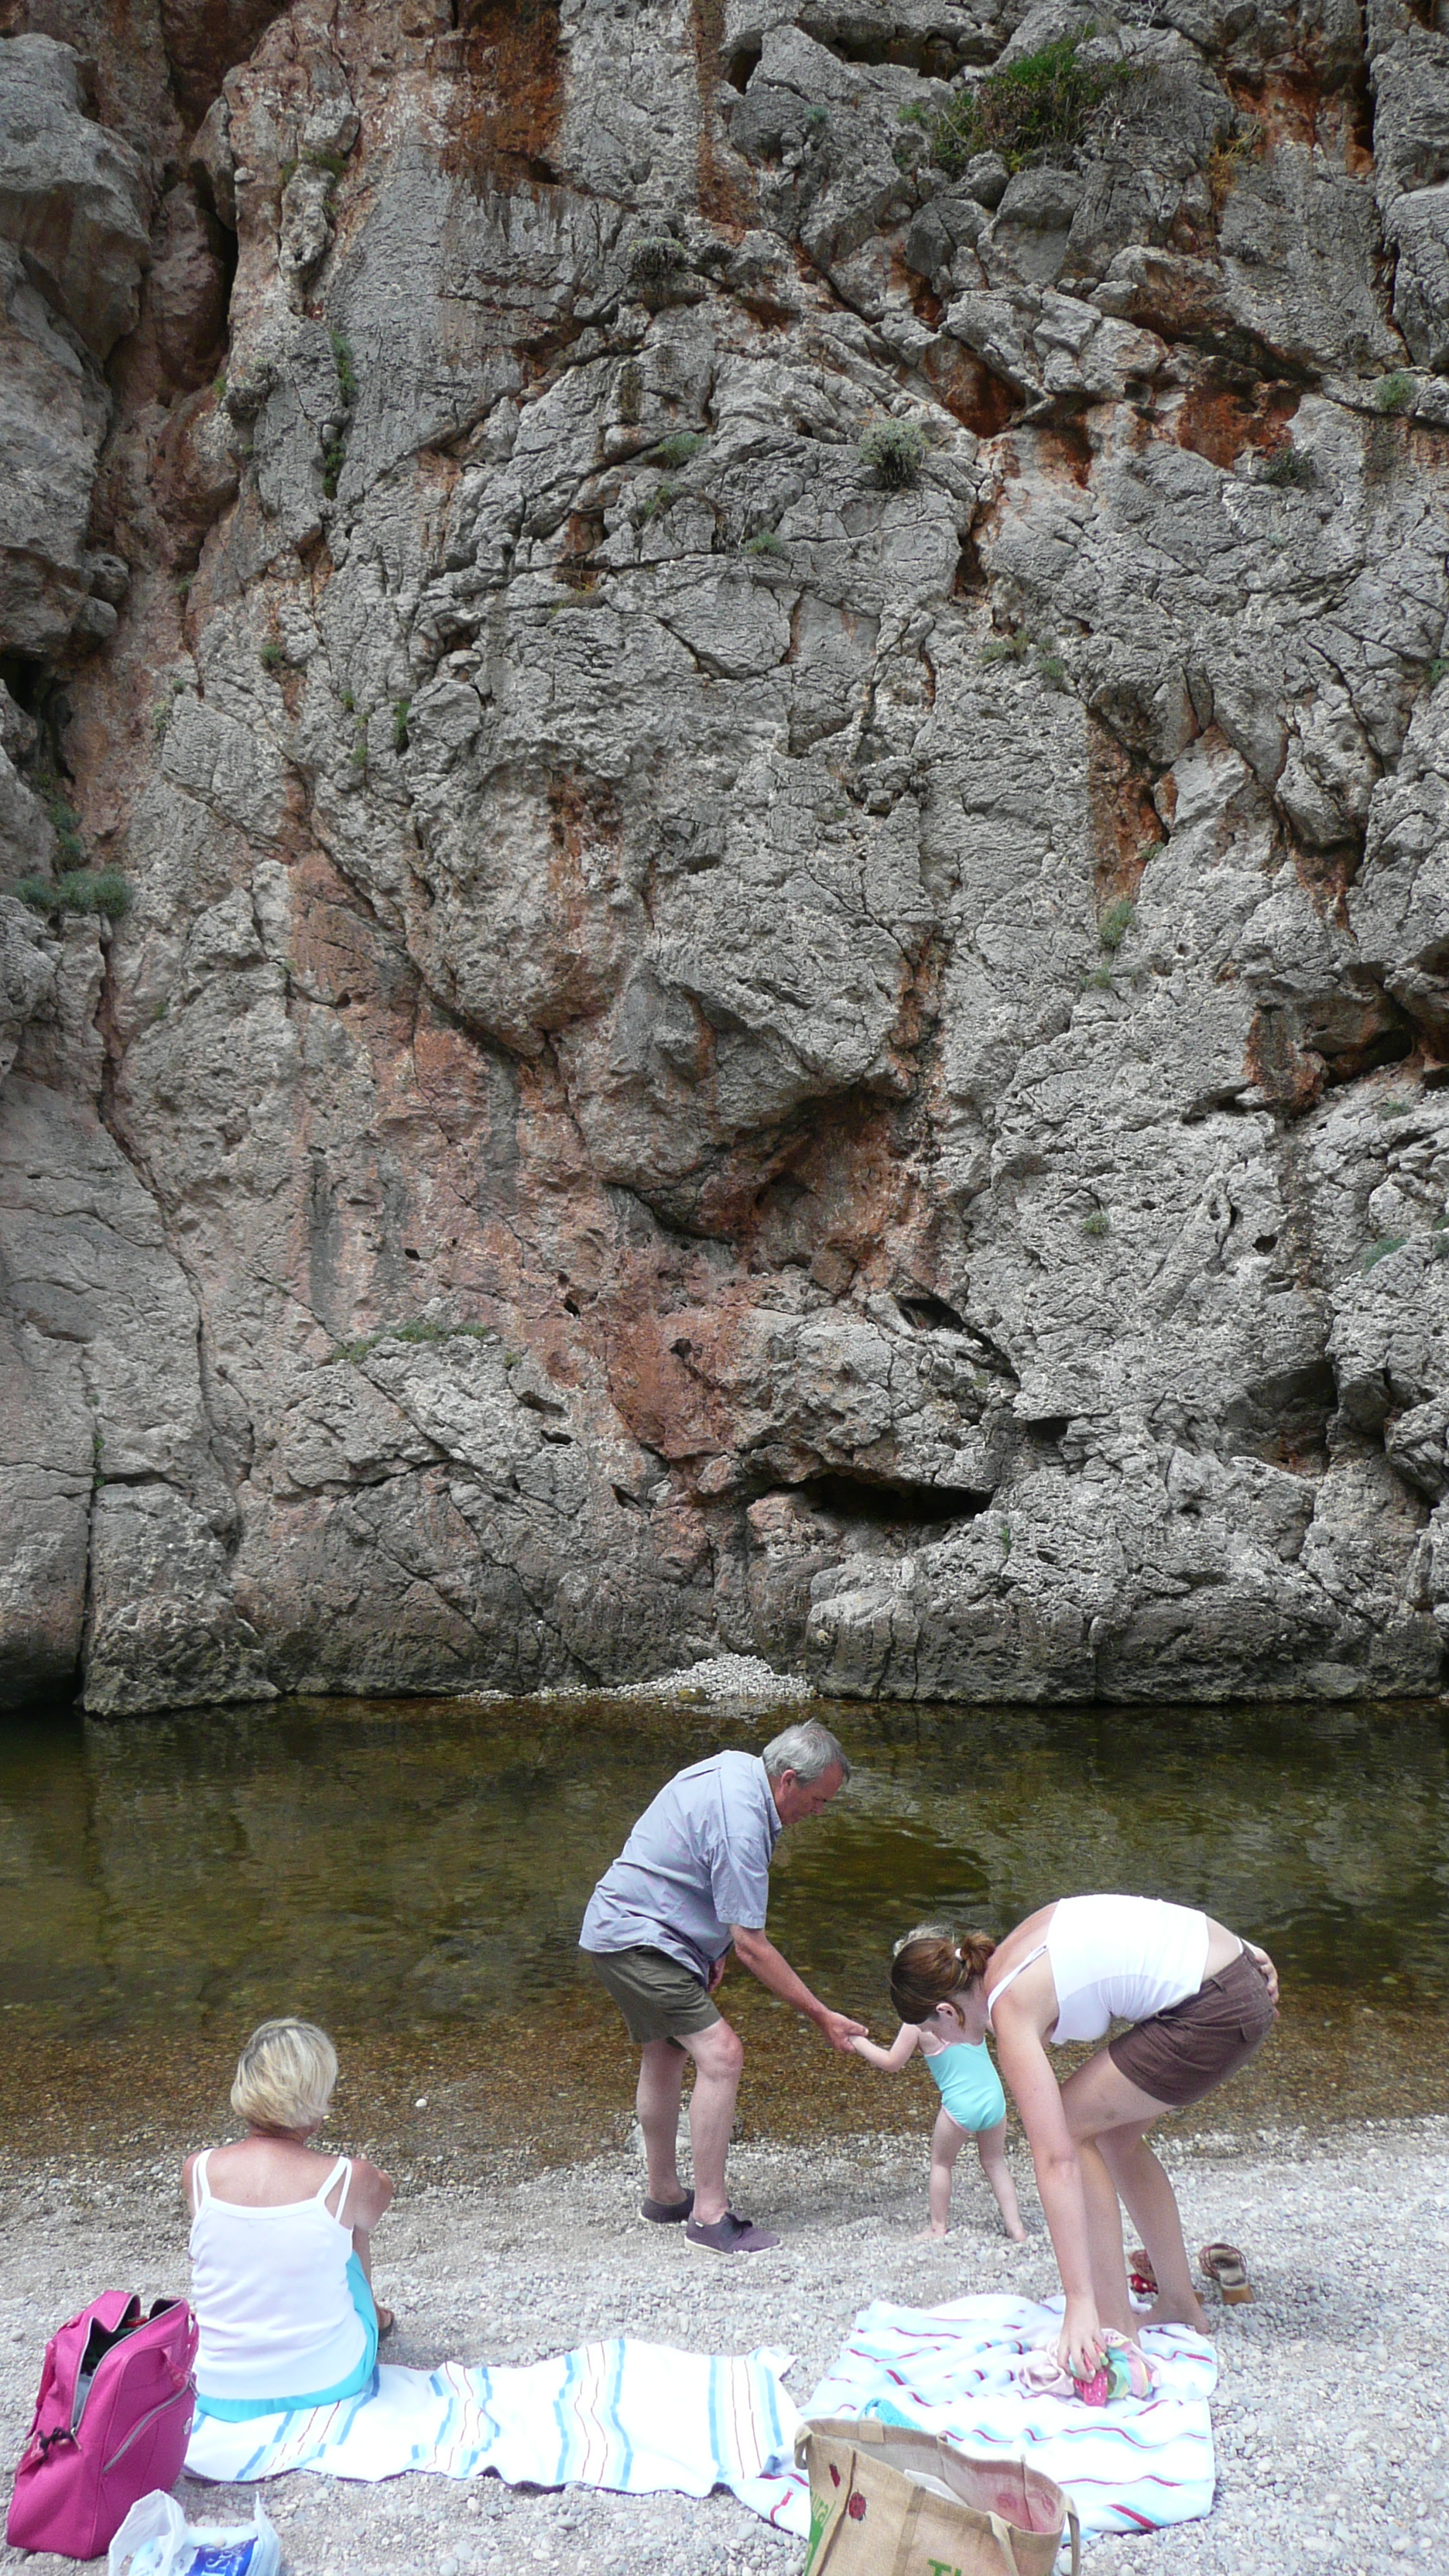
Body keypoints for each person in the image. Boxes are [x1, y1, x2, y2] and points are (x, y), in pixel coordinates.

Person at [579, 1718, 866, 2253]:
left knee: (666, 2052)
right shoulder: (744, 1824)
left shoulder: (737, 1769)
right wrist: (821, 2015)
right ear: (788, 1780)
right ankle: (710, 2219)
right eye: (818, 1800)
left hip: (627, 1928)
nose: (819, 1812)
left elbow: (699, 1871)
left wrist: (712, 1951)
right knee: (722, 2054)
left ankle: (665, 2196)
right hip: (641, 1937)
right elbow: (753, 1943)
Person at [983, 1895, 1278, 2379]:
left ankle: (1114, 2324)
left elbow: (1056, 2159)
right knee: (1114, 2137)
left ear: (946, 2014)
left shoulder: (1006, 2004)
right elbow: (1140, 1920)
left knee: (1073, 2126)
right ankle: (1179, 2302)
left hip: (1216, 2007)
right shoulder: (1021, 1941)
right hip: (1238, 1980)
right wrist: (1242, 1949)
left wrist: (1078, 2303)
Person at [183, 2018, 395, 2420]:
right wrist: (366, 2173)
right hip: (329, 2380)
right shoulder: (346, 2177)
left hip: (216, 2388)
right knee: (348, 2223)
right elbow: (377, 2205)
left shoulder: (198, 2171)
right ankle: (376, 2315)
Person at [851, 1927, 1026, 2242]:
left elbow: (892, 2062)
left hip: (959, 2108)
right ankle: (1017, 2229)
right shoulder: (972, 2006)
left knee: (941, 2164)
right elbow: (1004, 2030)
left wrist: (856, 2041)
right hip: (995, 2101)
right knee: (995, 2162)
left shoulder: (918, 2024)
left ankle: (938, 2226)